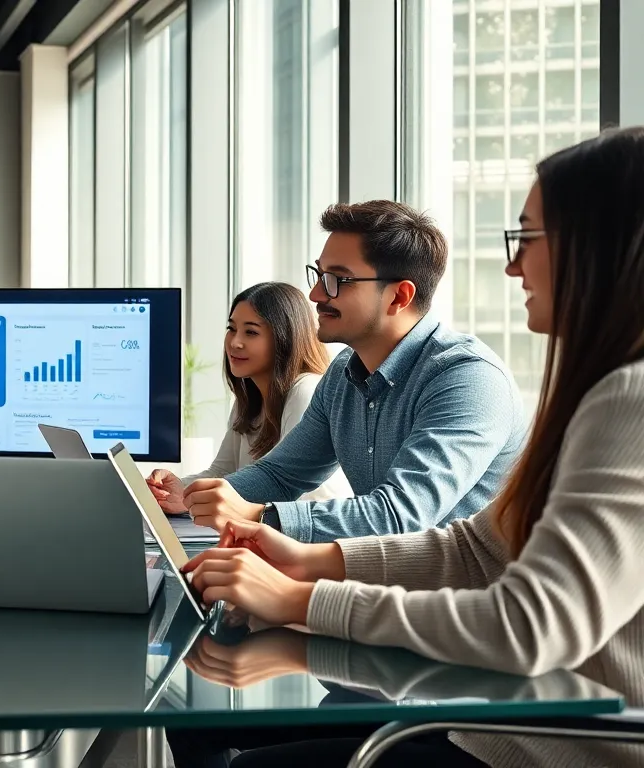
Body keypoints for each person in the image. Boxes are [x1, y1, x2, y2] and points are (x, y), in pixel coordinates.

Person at [180, 126, 644, 768]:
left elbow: (525, 623)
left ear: (603, 247)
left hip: (554, 739)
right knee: (199, 715)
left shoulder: (614, 398)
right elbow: (478, 546)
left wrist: (298, 595)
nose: (513, 265)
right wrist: (310, 559)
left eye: (527, 239)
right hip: (502, 715)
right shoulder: (600, 392)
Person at [150, 200, 525, 542]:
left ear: (399, 296)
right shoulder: (344, 373)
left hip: (465, 603)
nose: (315, 295)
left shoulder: (468, 379)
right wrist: (192, 497)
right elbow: (280, 475)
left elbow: (401, 516)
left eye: (337, 281)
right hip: (386, 586)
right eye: (318, 275)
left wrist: (259, 516)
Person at [151, 281, 351, 502]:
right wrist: (174, 489)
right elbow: (221, 473)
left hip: (303, 534)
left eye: (251, 332)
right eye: (232, 329)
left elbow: (289, 490)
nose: (235, 342)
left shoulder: (306, 391)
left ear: (284, 338)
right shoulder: (248, 400)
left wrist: (191, 498)